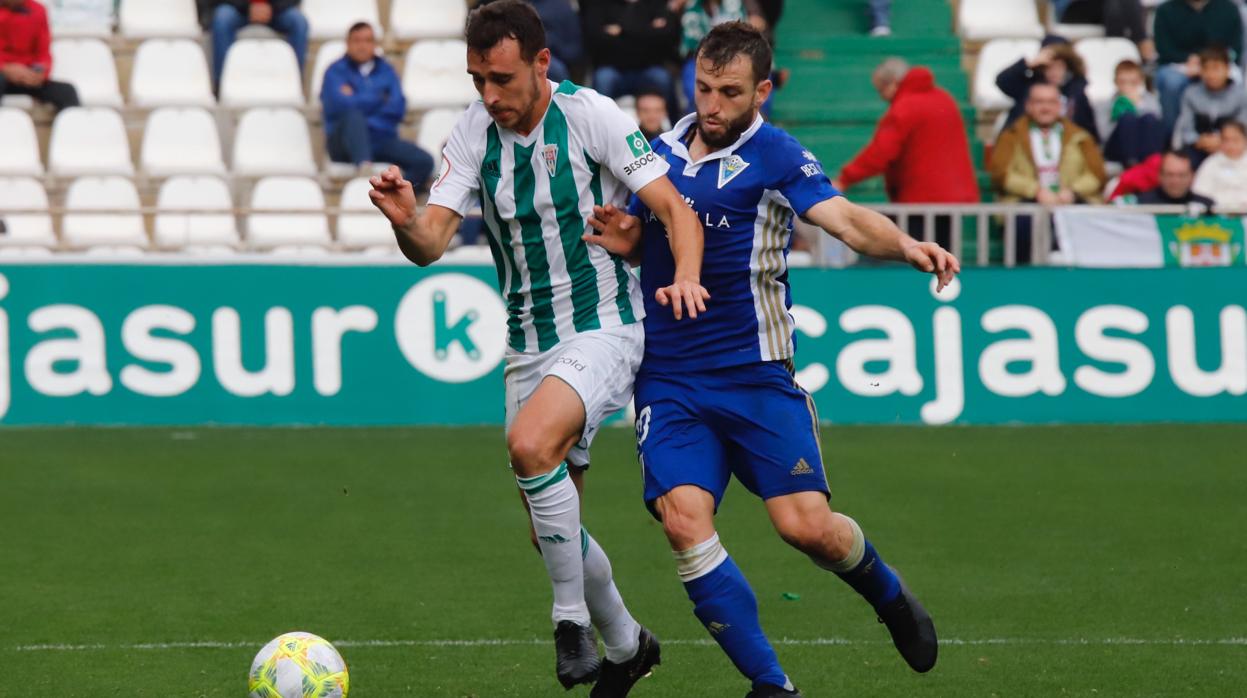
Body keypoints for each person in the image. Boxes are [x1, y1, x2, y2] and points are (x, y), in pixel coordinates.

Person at [586, 22, 950, 698]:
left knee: (805, 529)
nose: (713, 104)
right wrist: (629, 241)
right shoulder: (658, 150)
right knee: (682, 522)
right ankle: (771, 685)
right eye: (703, 88)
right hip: (668, 380)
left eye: (729, 92)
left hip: (755, 378)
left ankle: (886, 592)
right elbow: (649, 240)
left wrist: (905, 245)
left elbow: (842, 219)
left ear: (762, 90)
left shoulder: (778, 155)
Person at [366, 2, 707, 695]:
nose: (488, 96)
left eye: (500, 78)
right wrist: (405, 222)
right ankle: (627, 645)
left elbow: (674, 207)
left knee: (528, 446)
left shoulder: (594, 117)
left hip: (604, 323)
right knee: (549, 525)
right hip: (526, 344)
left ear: (540, 64)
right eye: (475, 80)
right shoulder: (470, 133)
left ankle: (569, 620)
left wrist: (689, 277)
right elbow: (430, 244)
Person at [834, 57, 980, 248]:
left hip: (920, 201)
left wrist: (844, 179)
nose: (882, 97)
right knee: (942, 256)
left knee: (914, 254)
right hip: (953, 199)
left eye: (881, 90)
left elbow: (880, 154)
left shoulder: (904, 107)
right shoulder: (944, 98)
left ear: (893, 84)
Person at [990, 82, 1106, 264]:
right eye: (1039, 102)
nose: (1045, 107)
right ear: (1028, 105)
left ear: (1060, 106)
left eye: (1051, 102)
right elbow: (1001, 173)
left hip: (1070, 203)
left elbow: (1096, 174)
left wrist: (1072, 192)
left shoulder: (1080, 137)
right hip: (1026, 205)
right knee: (1023, 224)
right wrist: (1036, 191)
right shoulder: (1011, 136)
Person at [321, 22, 433, 189]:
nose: (362, 46)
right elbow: (338, 106)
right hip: (344, 143)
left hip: (380, 139)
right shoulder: (335, 71)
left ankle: (395, 199)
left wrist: (361, 111)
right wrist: (379, 98)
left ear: (375, 44)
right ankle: (364, 166)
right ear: (348, 44)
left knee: (424, 161)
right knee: (353, 117)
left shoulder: (387, 71)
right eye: (357, 40)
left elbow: (397, 108)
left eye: (367, 40)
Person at [1153, 0, 1243, 136]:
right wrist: (1190, 60)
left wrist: (1210, 63)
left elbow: (1235, 49)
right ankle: (1171, 139)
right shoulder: (1165, 10)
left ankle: (1234, 135)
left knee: (1234, 77)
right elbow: (1163, 49)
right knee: (1172, 82)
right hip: (1180, 64)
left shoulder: (1228, 8)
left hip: (1219, 61)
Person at [582, 0, 679, 117]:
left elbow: (667, 38)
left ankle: (677, 128)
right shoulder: (600, 4)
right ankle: (596, 129)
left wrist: (622, 31)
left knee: (663, 79)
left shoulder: (656, 4)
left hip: (648, 68)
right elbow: (595, 40)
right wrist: (647, 29)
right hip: (613, 69)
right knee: (603, 80)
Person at [996, 37, 1099, 142]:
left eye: (1059, 67)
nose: (1054, 72)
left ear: (1068, 68)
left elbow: (1087, 130)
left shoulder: (1077, 94)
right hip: (1025, 145)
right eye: (1049, 67)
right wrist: (1029, 63)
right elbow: (1002, 81)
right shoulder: (1027, 87)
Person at [678, 0, 767, 110]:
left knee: (755, 89)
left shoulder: (744, 3)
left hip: (736, 58)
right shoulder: (688, 5)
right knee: (695, 93)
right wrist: (674, 9)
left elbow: (760, 33)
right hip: (697, 59)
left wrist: (755, 24)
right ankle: (697, 125)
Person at [1171, 45, 1247, 170]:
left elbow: (1242, 126)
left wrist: (1221, 140)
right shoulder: (1191, 93)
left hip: (1231, 147)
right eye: (1206, 68)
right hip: (1197, 147)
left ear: (1227, 69)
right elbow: (1185, 127)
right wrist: (1199, 140)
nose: (1211, 74)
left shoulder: (1240, 95)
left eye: (1216, 68)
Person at [0, 0, 80, 113]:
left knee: (67, 92)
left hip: (26, 77)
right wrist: (5, 69)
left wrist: (40, 72)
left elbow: (43, 53)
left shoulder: (38, 10)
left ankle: (72, 130)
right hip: (3, 75)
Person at [207, 0, 308, 89]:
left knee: (299, 23)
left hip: (276, 10)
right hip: (238, 9)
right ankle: (221, 85)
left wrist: (272, 6)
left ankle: (295, 84)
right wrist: (248, 6)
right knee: (222, 19)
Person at [1101, 60, 1165, 166]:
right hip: (1117, 148)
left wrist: (1138, 104)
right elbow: (1105, 135)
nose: (1128, 86)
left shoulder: (1151, 100)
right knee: (1127, 117)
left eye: (1133, 82)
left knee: (1149, 118)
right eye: (1123, 82)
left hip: (1145, 146)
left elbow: (1156, 125)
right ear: (1115, 82)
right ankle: (1132, 164)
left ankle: (1150, 165)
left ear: (1140, 81)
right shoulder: (1105, 104)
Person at [1192, 121, 1247, 208]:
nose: (1231, 145)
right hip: (1217, 216)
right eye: (1226, 140)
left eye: (1235, 140)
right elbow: (1200, 194)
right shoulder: (1210, 163)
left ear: (1245, 140)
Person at [1134, 149, 1215, 208]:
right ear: (1160, 176)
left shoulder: (1206, 208)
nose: (1175, 181)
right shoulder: (1141, 205)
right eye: (1170, 175)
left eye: (1182, 175)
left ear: (1192, 177)